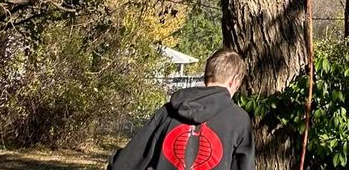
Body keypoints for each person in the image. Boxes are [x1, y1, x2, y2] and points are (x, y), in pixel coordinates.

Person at [107, 48, 254, 170]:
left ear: (206, 76)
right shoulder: (239, 120)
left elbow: (123, 165)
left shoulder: (168, 112)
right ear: (234, 81)